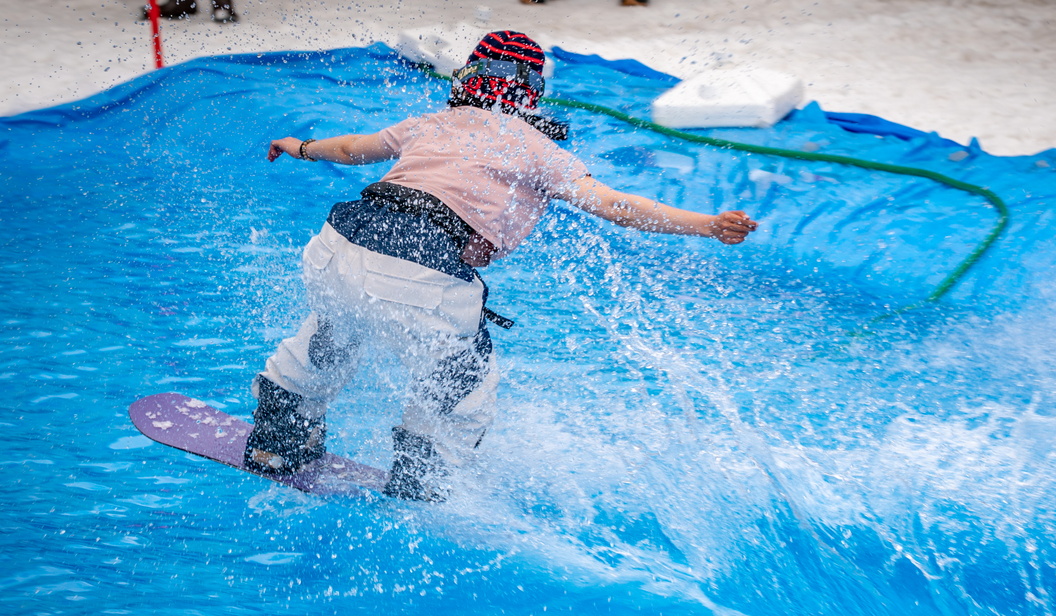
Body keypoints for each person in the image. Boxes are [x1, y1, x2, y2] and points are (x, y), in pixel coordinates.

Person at [246, 30, 757, 501]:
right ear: (532, 94)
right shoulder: (537, 149)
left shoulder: (432, 123)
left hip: (337, 244)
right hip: (421, 268)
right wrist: (706, 224)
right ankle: (419, 479)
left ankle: (279, 434)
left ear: (466, 79)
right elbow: (616, 205)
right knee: (460, 377)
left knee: (336, 328)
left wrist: (301, 147)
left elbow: (355, 148)